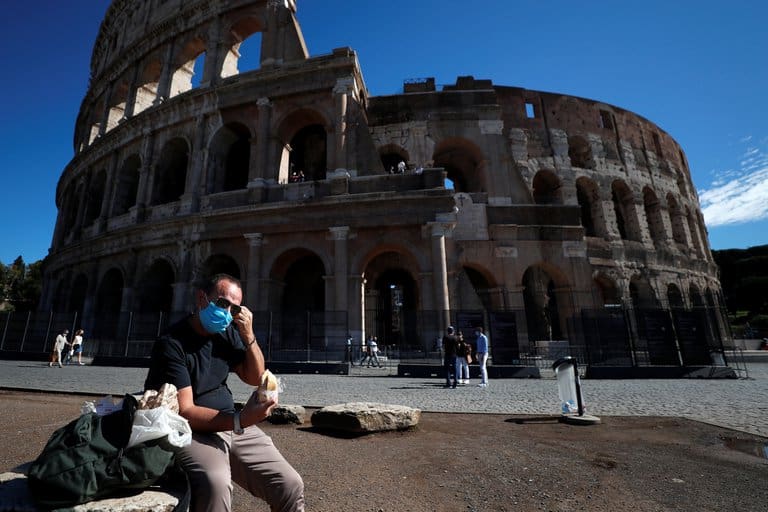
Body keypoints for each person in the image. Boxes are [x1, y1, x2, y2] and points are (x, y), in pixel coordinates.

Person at [144, 273, 304, 512]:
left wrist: (248, 335)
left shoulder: (227, 332)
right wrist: (241, 420)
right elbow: (185, 411)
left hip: (229, 424)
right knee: (216, 484)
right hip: (189, 430)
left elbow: (254, 377)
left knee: (290, 484)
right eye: (223, 303)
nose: (228, 312)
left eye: (235, 308)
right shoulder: (172, 343)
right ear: (201, 298)